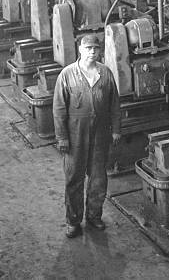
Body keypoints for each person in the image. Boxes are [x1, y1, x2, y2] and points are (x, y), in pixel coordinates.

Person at [53, 34, 121, 238]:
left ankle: (94, 216)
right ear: (80, 50)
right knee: (74, 179)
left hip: (100, 135)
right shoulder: (67, 75)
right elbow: (58, 109)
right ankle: (73, 221)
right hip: (75, 137)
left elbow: (115, 105)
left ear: (100, 51)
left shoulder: (106, 74)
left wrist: (116, 129)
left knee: (98, 179)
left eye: (96, 48)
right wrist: (62, 138)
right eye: (88, 48)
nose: (92, 51)